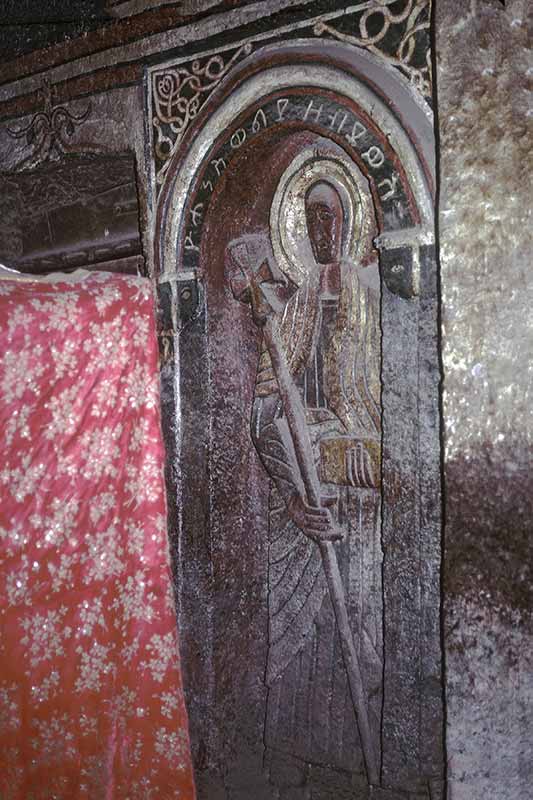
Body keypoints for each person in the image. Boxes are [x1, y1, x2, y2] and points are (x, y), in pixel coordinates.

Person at [227, 178, 382, 782]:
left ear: (350, 226)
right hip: (300, 488)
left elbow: (390, 410)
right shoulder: (286, 314)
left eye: (331, 220)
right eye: (311, 221)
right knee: (299, 641)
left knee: (363, 624)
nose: (322, 233)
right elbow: (265, 411)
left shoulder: (371, 308)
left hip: (356, 496)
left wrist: (348, 452)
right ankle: (296, 764)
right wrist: (293, 494)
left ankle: (369, 765)